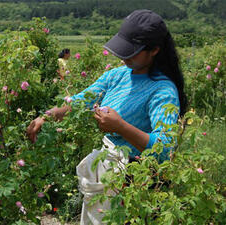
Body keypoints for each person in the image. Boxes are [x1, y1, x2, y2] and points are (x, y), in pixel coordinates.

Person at [27, 9, 186, 225]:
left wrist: (120, 127)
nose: (124, 56)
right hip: (108, 171)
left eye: (132, 52)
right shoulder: (117, 75)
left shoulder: (162, 90)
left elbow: (165, 148)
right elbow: (81, 100)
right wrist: (48, 115)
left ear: (155, 50)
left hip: (136, 180)